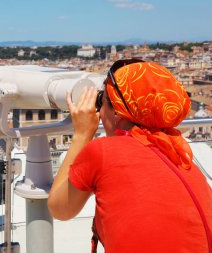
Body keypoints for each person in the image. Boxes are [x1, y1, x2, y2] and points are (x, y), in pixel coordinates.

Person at [48, 59, 212, 253]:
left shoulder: (103, 151)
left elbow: (59, 208)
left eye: (103, 102)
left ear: (118, 113)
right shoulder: (178, 152)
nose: (99, 112)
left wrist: (82, 134)